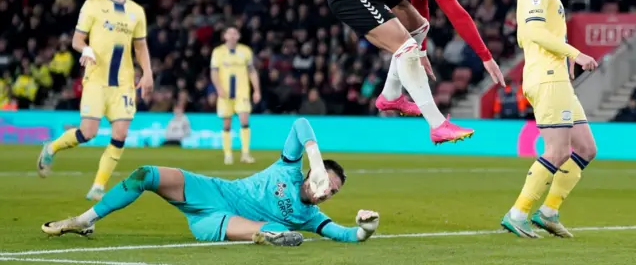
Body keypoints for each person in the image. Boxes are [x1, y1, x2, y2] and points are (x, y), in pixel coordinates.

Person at [41, 118, 381, 246]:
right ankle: (85, 221)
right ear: (312, 175)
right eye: (325, 184)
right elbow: (301, 124)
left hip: (219, 222)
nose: (325, 193)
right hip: (217, 191)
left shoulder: (312, 218)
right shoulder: (289, 168)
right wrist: (316, 160)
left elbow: (346, 235)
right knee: (146, 173)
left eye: (331, 193)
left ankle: (268, 235)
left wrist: (365, 228)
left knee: (262, 228)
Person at [327, 0, 506, 145]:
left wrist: (422, 52)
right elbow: (456, 14)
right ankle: (438, 124)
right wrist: (486, 56)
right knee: (406, 48)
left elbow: (420, 7)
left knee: (421, 27)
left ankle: (390, 96)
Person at [500, 0, 599, 238]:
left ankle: (548, 212)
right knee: (557, 151)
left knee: (585, 148)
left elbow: (547, 34)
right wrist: (576, 52)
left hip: (556, 77)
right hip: (546, 77)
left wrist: (566, 55)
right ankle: (518, 213)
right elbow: (533, 32)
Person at [36, 0, 154, 201]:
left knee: (120, 134)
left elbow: (140, 47)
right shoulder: (93, 6)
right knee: (88, 133)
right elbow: (77, 40)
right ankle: (52, 147)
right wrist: (86, 50)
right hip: (96, 80)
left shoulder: (136, 12)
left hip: (123, 83)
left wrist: (148, 73)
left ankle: (98, 186)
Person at [210, 26, 262, 165]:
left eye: (235, 33)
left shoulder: (245, 51)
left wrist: (256, 90)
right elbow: (214, 72)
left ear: (238, 36)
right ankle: (228, 154)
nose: (232, 36)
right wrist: (218, 88)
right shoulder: (218, 52)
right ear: (225, 36)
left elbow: (252, 71)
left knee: (244, 121)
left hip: (242, 93)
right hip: (225, 93)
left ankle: (245, 154)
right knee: (226, 124)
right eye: (230, 33)